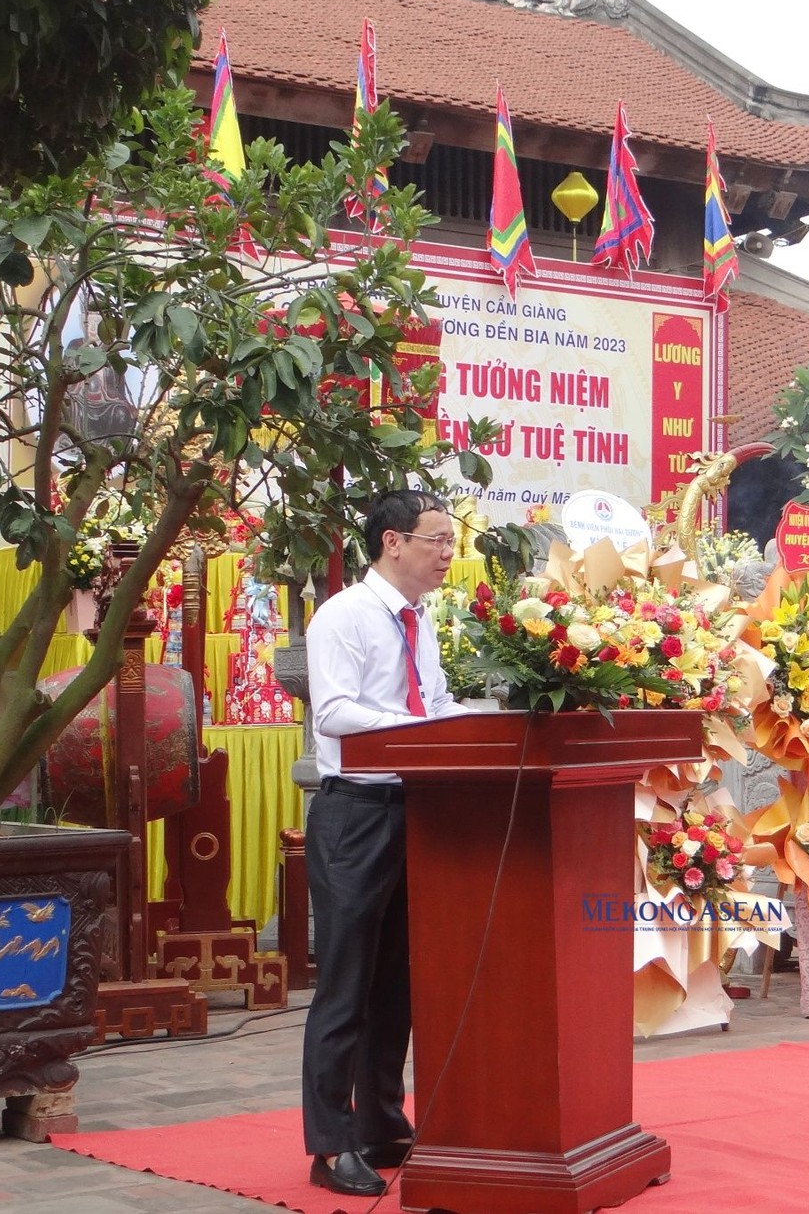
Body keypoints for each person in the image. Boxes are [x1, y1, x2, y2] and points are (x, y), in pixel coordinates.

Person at [301, 488, 460, 1197]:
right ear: (393, 541)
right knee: (346, 985)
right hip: (355, 813)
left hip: (413, 807)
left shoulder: (418, 620)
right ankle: (331, 1144)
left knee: (397, 982)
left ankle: (382, 1123)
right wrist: (416, 727)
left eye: (453, 542)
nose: (449, 554)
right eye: (438, 540)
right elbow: (332, 711)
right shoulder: (343, 615)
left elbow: (437, 701)